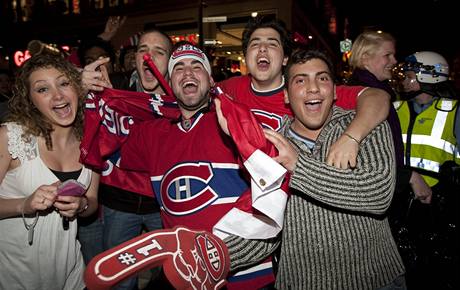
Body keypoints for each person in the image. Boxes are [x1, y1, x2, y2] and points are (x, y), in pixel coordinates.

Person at [88, 43, 279, 289]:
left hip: (246, 277)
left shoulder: (237, 122)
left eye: (196, 66)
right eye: (178, 68)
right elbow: (101, 140)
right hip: (185, 277)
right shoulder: (151, 134)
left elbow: (273, 191)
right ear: (171, 82)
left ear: (211, 81)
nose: (187, 72)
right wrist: (93, 95)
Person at [222, 48, 406, 289]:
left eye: (322, 78)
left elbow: (378, 194)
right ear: (286, 96)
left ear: (334, 90)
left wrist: (299, 165)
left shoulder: (366, 126)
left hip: (375, 280)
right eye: (300, 80)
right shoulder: (272, 146)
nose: (313, 88)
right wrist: (214, 257)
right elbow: (268, 226)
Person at [219, 17, 392, 169]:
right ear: (246, 55)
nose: (262, 49)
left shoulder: (307, 90)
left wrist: (351, 137)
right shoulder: (231, 88)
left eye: (272, 44)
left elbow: (378, 97)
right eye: (255, 44)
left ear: (285, 58)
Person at [81, 27, 174, 290]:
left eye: (159, 52)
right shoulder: (114, 86)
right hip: (118, 206)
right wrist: (82, 83)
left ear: (170, 60)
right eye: (143, 50)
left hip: (161, 207)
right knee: (120, 279)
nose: (148, 57)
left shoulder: (182, 97)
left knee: (169, 276)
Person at [0, 53, 99, 289]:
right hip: (16, 274)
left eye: (64, 83)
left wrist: (81, 204)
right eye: (42, 89)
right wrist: (25, 204)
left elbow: (93, 201)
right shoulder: (9, 137)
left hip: (70, 273)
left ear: (77, 89)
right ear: (29, 99)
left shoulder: (92, 139)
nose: (58, 95)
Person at [395, 50, 459, 289]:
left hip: (438, 208)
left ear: (429, 77)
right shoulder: (395, 108)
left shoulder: (453, 111)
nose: (404, 80)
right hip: (399, 202)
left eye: (409, 75)